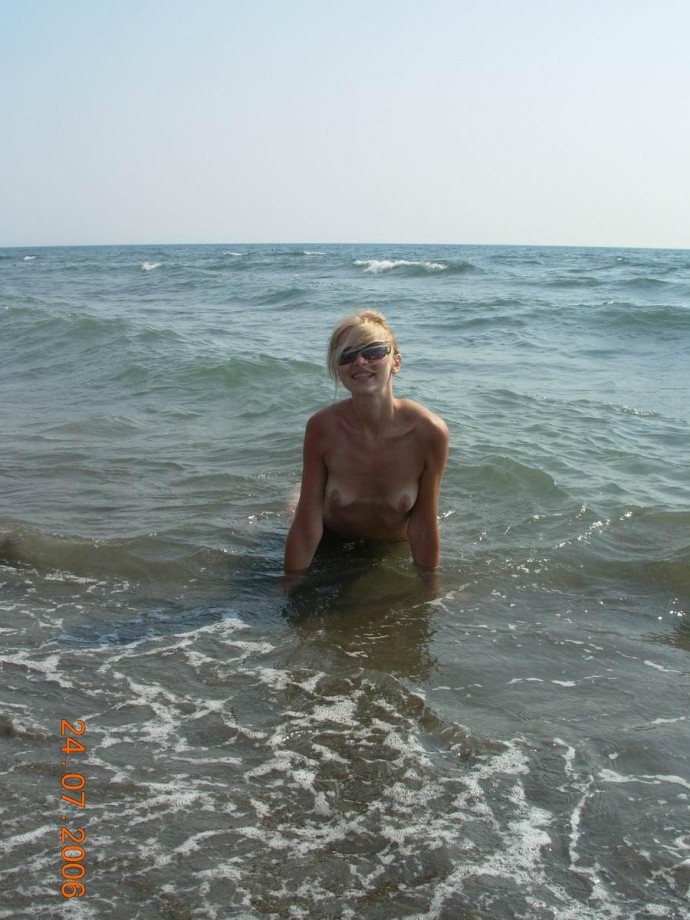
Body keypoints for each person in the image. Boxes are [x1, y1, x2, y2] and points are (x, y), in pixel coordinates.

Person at [284, 310, 449, 574]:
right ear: (338, 371)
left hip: (390, 545)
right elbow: (306, 525)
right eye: (347, 355)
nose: (359, 361)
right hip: (334, 538)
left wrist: (431, 590)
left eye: (372, 352)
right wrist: (289, 586)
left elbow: (424, 525)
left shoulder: (429, 431)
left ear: (396, 362)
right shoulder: (322, 428)